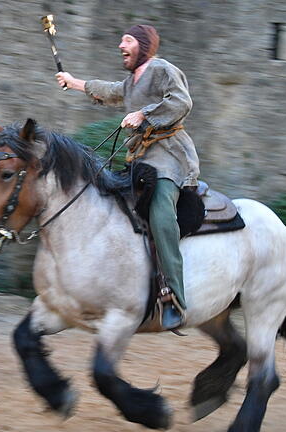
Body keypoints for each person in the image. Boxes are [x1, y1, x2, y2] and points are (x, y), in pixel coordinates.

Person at [55, 24, 199, 330]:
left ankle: (174, 296)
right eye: (121, 39)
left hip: (169, 157)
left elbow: (181, 102)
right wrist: (74, 82)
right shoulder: (132, 82)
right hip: (141, 160)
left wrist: (144, 114)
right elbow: (110, 91)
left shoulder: (162, 69)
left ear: (144, 46)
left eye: (128, 40)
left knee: (161, 213)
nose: (121, 45)